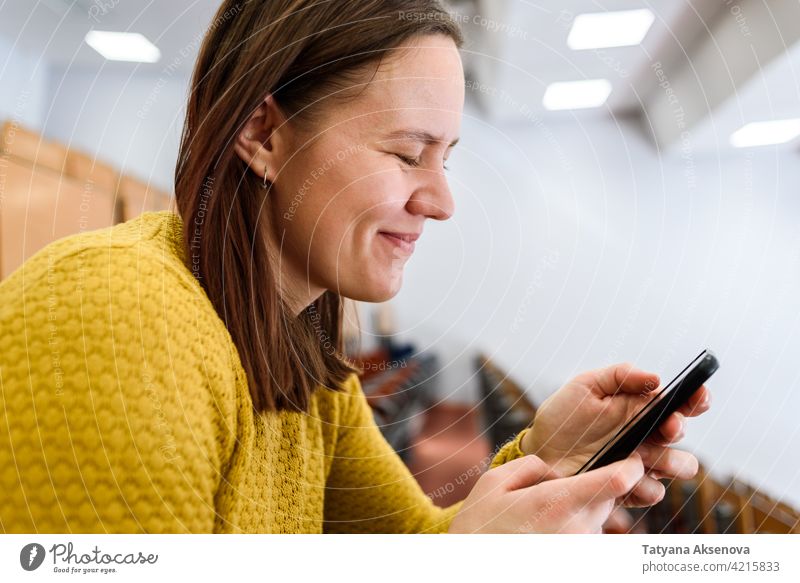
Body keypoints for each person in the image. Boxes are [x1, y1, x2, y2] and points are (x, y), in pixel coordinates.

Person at [0, 0, 709, 534]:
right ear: (263, 133)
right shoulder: (117, 315)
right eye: (407, 153)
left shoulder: (304, 362)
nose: (441, 200)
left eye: (447, 157)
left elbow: (418, 546)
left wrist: (548, 462)